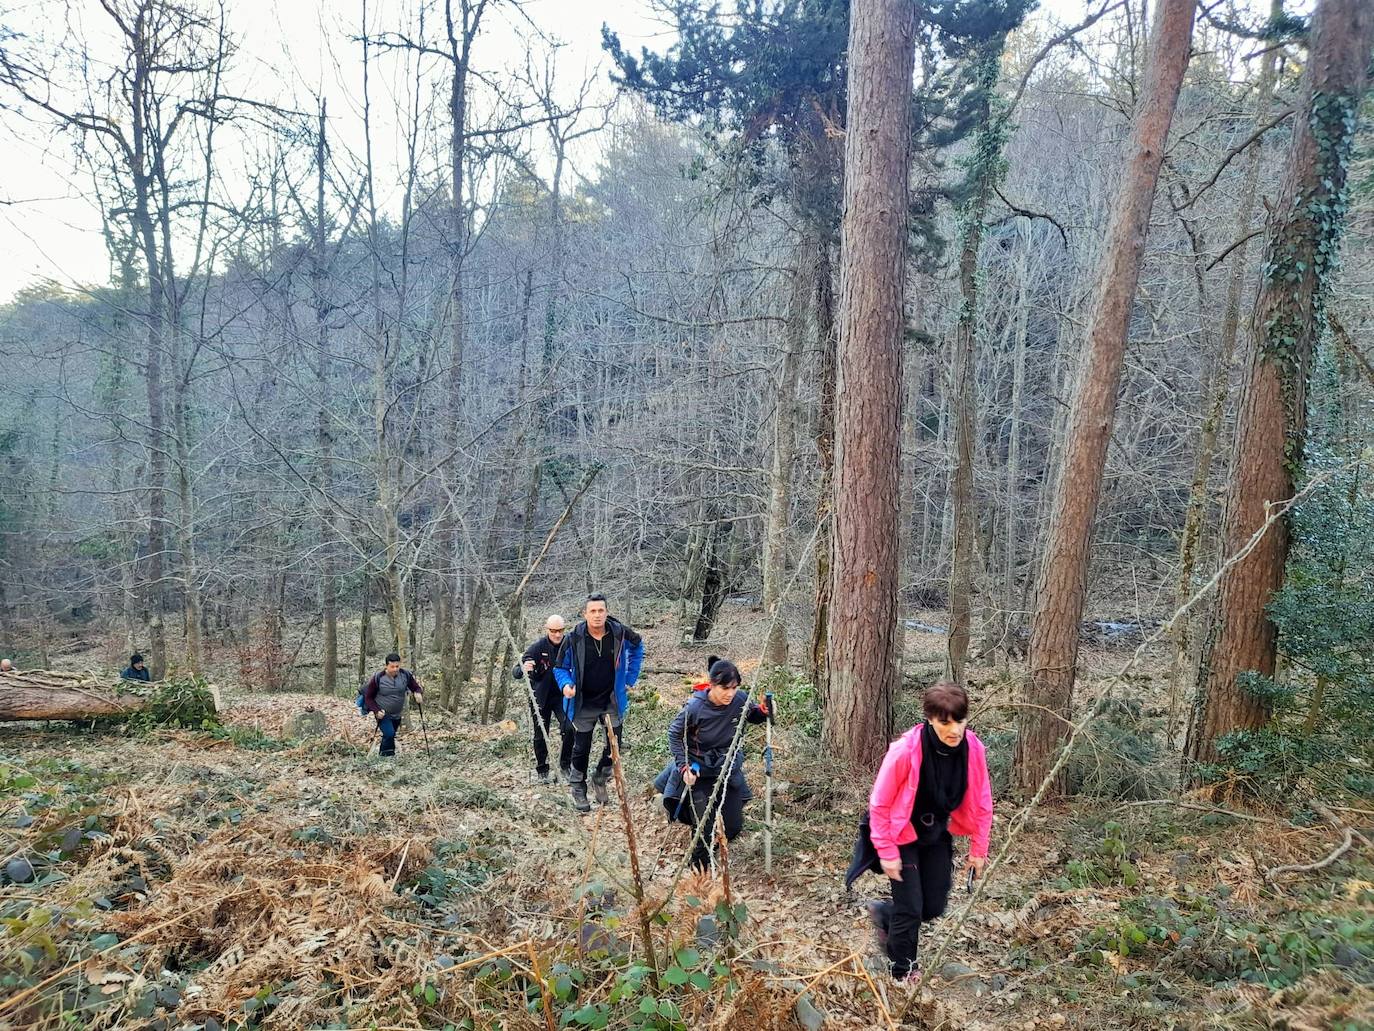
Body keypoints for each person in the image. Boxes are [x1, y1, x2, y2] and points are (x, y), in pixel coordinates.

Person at [845, 680, 993, 984]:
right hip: (901, 835)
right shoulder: (905, 751)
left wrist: (978, 851)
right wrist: (886, 853)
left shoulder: (973, 748)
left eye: (960, 721)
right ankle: (904, 971)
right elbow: (880, 805)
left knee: (934, 906)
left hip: (936, 832)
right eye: (944, 722)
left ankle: (885, 915)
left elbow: (982, 801)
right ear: (930, 719)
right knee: (911, 908)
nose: (954, 730)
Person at [655, 656, 771, 871]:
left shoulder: (739, 699)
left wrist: (763, 711)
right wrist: (684, 767)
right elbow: (674, 735)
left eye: (734, 688)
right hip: (700, 772)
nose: (730, 693)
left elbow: (751, 714)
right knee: (704, 828)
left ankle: (712, 851)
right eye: (725, 688)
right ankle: (700, 869)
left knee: (734, 826)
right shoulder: (694, 707)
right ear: (712, 685)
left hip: (726, 768)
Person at [554, 592, 644, 812]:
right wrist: (566, 685)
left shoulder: (619, 632)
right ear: (585, 614)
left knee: (615, 747)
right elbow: (560, 667)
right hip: (583, 701)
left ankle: (600, 778)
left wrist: (631, 677)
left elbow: (638, 645)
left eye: (601, 610)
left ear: (607, 612)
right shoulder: (574, 637)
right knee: (581, 747)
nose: (597, 615)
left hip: (611, 700)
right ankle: (578, 787)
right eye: (592, 611)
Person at [513, 615, 574, 783]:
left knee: (570, 729)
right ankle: (542, 769)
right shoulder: (538, 647)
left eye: (560, 631)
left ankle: (565, 766)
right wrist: (524, 669)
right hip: (540, 696)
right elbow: (517, 672)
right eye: (553, 631)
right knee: (541, 733)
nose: (557, 634)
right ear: (547, 629)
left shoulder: (570, 644)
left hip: (563, 695)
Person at [360, 652, 424, 758]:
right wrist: (376, 710)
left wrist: (418, 693)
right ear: (386, 666)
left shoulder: (405, 675)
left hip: (397, 714)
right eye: (392, 666)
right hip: (383, 713)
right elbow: (369, 697)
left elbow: (415, 686)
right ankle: (386, 758)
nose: (395, 669)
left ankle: (385, 756)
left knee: (390, 735)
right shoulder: (378, 678)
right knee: (389, 733)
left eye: (397, 666)